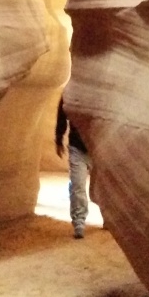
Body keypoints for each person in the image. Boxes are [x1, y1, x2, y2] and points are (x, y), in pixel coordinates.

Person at [55, 96, 92, 238]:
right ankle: (79, 223)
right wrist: (58, 139)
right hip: (77, 147)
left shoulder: (96, 92)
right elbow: (61, 114)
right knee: (78, 185)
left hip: (98, 147)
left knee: (102, 187)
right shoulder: (71, 93)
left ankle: (107, 217)